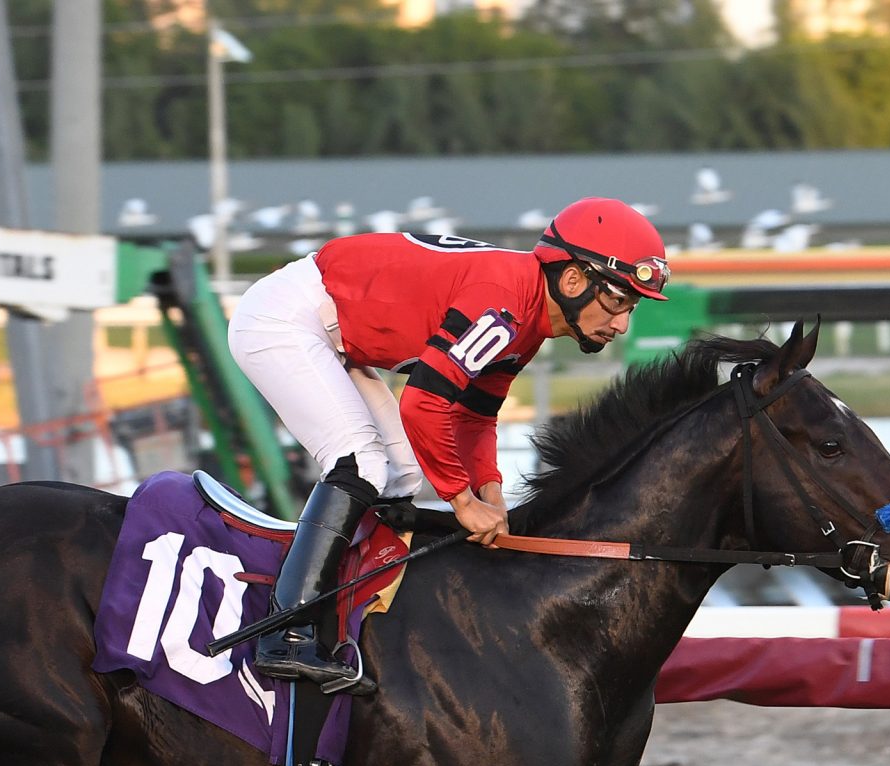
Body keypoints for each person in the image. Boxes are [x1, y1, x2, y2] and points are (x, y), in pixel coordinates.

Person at [225, 197, 670, 692]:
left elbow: (475, 416)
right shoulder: (503, 307)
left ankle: (363, 612)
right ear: (572, 280)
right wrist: (462, 501)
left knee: (402, 473)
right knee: (362, 463)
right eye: (618, 301)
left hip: (332, 330)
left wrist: (490, 491)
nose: (622, 323)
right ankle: (286, 632)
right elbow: (423, 404)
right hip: (285, 320)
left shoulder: (526, 320)